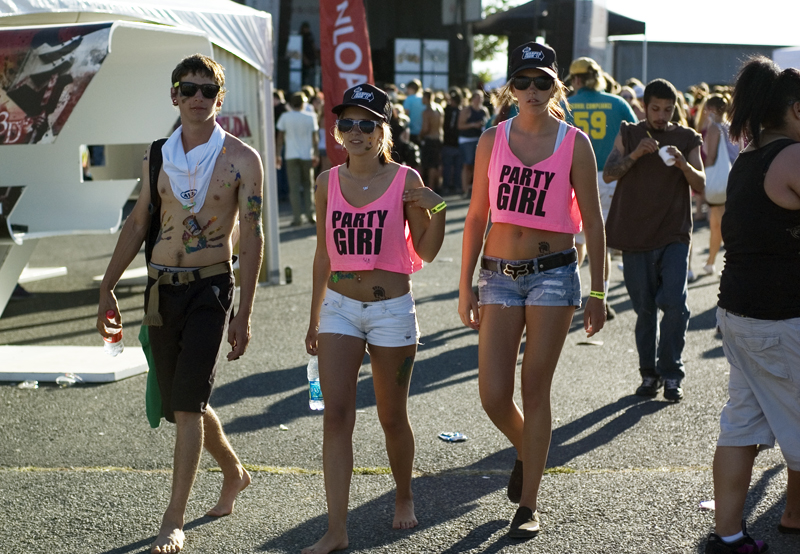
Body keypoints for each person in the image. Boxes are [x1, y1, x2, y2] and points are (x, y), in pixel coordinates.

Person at [97, 54, 263, 554]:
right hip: (160, 288)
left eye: (207, 90)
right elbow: (138, 223)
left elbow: (252, 236)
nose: (197, 98)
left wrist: (245, 313)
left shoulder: (242, 159)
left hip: (210, 288)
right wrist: (107, 285)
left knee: (188, 406)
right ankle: (235, 472)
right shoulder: (158, 155)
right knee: (179, 406)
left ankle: (173, 520)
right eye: (187, 89)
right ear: (174, 95)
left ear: (219, 98)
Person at [458, 42, 606, 539]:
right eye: (522, 81)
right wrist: (465, 285)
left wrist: (600, 291)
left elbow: (596, 222)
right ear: (510, 88)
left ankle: (529, 503)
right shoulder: (490, 140)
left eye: (543, 82)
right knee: (493, 396)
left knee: (533, 387)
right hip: (498, 273)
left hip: (554, 274)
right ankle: (529, 450)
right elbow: (477, 215)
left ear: (556, 87)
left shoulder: (574, 142)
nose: (532, 91)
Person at [303, 83, 446, 554]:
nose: (357, 131)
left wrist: (439, 207)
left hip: (391, 311)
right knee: (336, 416)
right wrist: (314, 316)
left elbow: (425, 250)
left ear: (383, 130)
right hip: (340, 310)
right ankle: (336, 529)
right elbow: (324, 254)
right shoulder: (326, 182)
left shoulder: (405, 180)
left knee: (390, 416)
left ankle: (403, 495)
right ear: (338, 130)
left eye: (367, 123)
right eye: (347, 122)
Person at [704, 55, 800, 554]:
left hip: (739, 313)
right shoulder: (792, 158)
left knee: (741, 424)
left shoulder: (749, 156)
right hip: (779, 317)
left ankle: (729, 536)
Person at [603, 78, 705, 402]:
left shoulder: (686, 138)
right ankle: (650, 374)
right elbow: (609, 173)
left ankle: (672, 373)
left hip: (674, 233)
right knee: (645, 310)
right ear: (645, 107)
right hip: (635, 235)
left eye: (668, 110)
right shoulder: (630, 132)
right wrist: (634, 155)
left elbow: (701, 183)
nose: (661, 116)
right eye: (656, 109)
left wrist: (683, 163)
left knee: (675, 303)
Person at [565, 57, 637, 319]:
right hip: (609, 179)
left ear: (576, 79)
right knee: (601, 243)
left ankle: (566, 295)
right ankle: (601, 296)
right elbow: (636, 135)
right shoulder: (617, 103)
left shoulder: (565, 104)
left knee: (570, 242)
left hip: (571, 178)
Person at [696, 94, 732, 276]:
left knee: (718, 224)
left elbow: (710, 157)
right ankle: (712, 261)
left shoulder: (714, 129)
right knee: (722, 222)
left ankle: (718, 262)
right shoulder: (731, 127)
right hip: (732, 179)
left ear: (710, 109)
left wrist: (705, 177)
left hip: (718, 181)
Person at [276, 91, 319, 226]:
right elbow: (315, 139)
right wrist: (316, 153)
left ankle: (297, 218)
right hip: (307, 154)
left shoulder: (285, 116)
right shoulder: (311, 117)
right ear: (303, 103)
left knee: (294, 188)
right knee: (309, 186)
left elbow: (280, 138)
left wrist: (278, 154)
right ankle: (310, 214)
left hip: (291, 155)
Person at [457, 88, 489, 198]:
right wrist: (473, 125)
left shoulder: (484, 110)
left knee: (477, 166)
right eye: (477, 98)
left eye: (481, 98)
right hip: (467, 140)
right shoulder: (466, 110)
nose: (479, 100)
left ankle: (474, 189)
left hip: (479, 139)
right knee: (467, 164)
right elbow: (460, 126)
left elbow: (488, 123)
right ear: (472, 99)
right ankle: (465, 189)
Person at [419, 89, 444, 191]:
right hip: (439, 138)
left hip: (430, 139)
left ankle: (429, 187)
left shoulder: (427, 111)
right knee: (437, 164)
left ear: (426, 98)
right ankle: (437, 185)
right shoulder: (439, 109)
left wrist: (419, 136)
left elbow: (425, 128)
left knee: (429, 165)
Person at [441, 88, 463, 194]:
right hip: (457, 143)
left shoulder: (446, 110)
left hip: (448, 142)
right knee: (457, 167)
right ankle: (457, 186)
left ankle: (446, 186)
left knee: (448, 166)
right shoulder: (461, 111)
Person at [402, 79, 424, 145]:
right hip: (422, 131)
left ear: (411, 88)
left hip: (411, 131)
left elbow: (406, 115)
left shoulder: (408, 99)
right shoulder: (423, 99)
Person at [300, 22, 317, 87]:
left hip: (311, 58)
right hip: (304, 60)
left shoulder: (310, 35)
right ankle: (304, 87)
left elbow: (313, 46)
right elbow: (301, 49)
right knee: (304, 75)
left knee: (311, 74)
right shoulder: (301, 36)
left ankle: (311, 87)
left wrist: (316, 55)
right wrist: (304, 59)